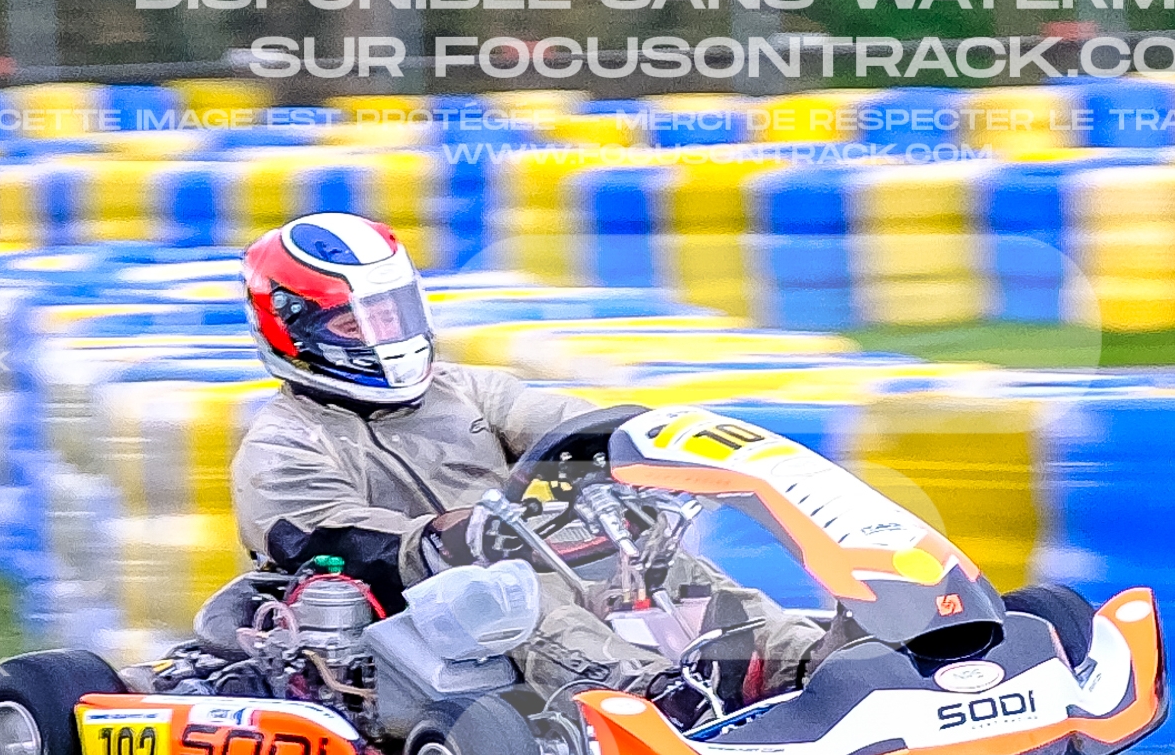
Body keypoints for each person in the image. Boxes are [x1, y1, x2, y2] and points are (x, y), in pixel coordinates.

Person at [225, 213, 820, 703]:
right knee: (503, 595)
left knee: (656, 558)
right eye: (353, 323)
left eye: (391, 314)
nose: (384, 336)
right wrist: (450, 536)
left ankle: (802, 664)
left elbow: (562, 422)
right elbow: (339, 537)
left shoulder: (469, 390)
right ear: (291, 331)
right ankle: (650, 699)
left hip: (531, 559)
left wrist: (639, 443)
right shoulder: (283, 444)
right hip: (418, 614)